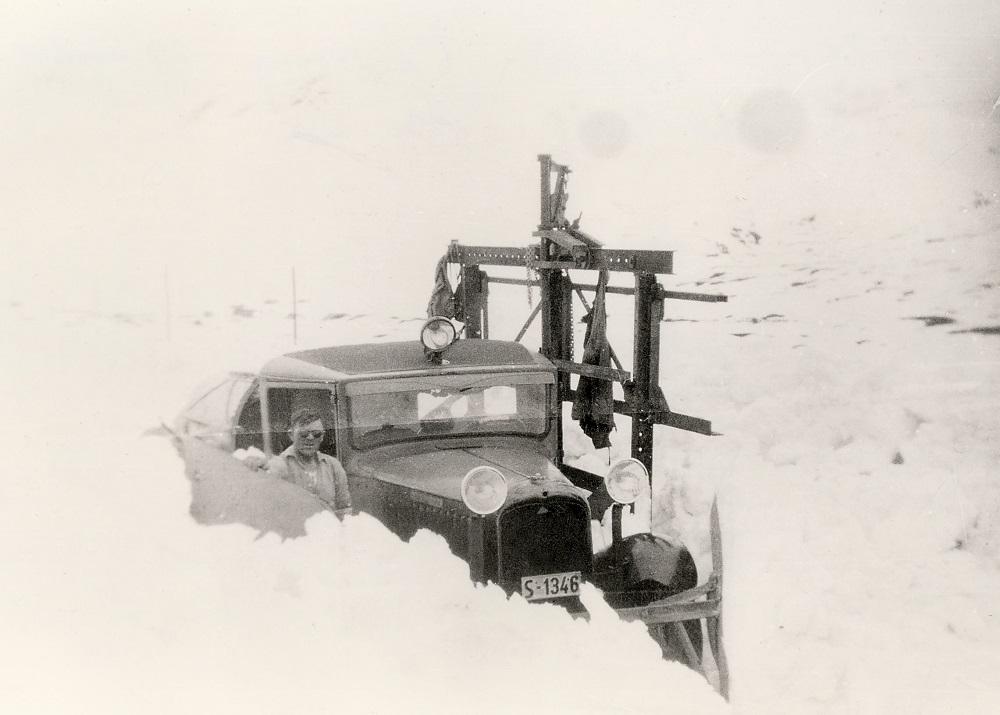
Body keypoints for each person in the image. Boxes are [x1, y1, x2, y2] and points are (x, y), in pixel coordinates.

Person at [266, 408, 352, 519]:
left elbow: (344, 508)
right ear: (291, 435)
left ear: (322, 437)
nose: (310, 438)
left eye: (316, 434)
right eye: (304, 434)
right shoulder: (278, 465)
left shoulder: (333, 465)